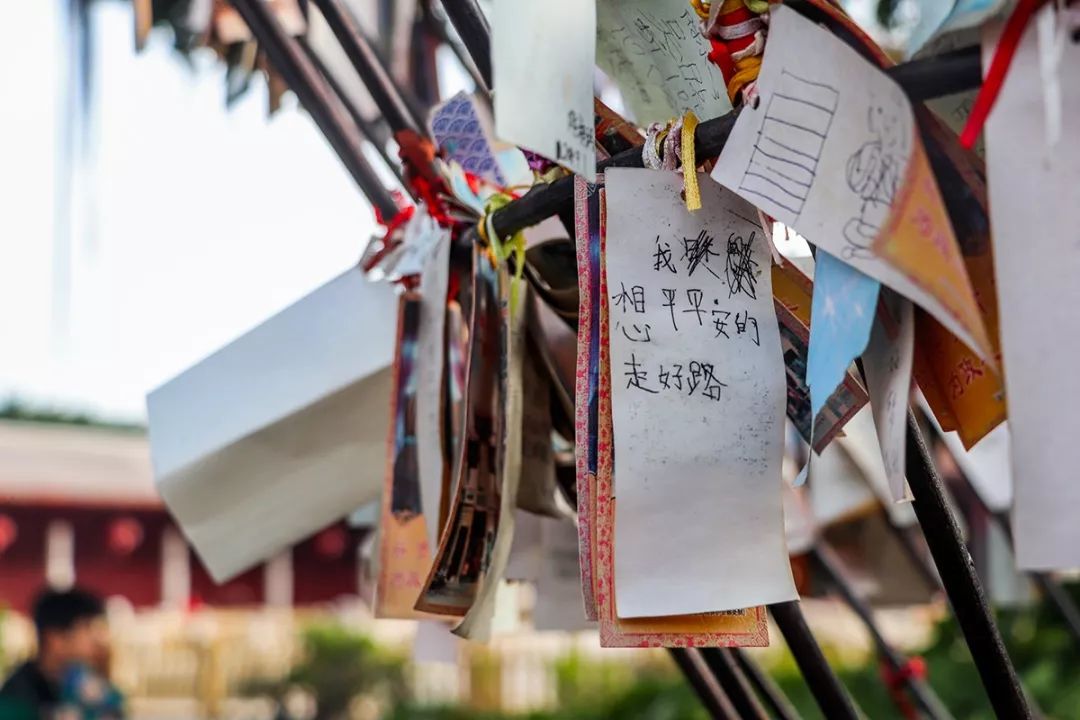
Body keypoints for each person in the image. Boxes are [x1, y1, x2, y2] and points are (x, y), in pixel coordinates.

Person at [0, 587, 114, 718]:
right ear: (55, 639)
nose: (98, 638)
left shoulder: (81, 684)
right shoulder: (16, 698)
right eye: (87, 627)